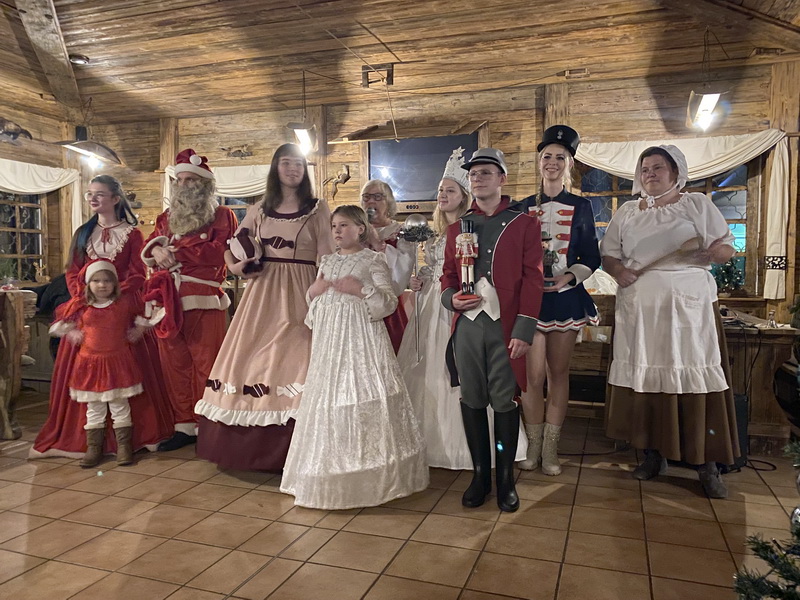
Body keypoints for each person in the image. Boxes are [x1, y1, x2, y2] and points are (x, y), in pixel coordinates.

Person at [600, 144, 739, 499]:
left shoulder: (696, 205)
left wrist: (714, 252)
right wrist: (619, 272)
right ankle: (652, 455)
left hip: (687, 308)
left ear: (676, 172)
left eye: (658, 167)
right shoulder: (628, 212)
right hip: (641, 309)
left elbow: (727, 247)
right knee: (647, 376)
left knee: (690, 374)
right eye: (645, 168)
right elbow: (609, 255)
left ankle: (706, 464)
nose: (650, 174)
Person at [195, 143, 333, 471]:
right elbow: (232, 246)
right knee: (252, 355)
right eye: (286, 163)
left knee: (296, 356)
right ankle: (248, 444)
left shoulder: (318, 208)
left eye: (298, 163)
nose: (293, 169)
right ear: (275, 168)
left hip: (302, 290)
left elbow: (327, 254)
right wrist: (235, 267)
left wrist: (322, 290)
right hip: (262, 292)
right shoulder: (259, 208)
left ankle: (296, 446)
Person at [280, 205, 428, 508]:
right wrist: (314, 291)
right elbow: (314, 306)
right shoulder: (327, 261)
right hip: (330, 344)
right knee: (329, 399)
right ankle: (329, 473)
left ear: (360, 229)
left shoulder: (373, 260)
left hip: (362, 342)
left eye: (344, 225)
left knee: (361, 395)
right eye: (334, 226)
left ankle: (369, 474)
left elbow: (388, 302)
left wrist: (361, 290)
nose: (337, 231)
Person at [397, 148, 527, 469]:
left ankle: (484, 455)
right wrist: (419, 278)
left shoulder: (476, 226)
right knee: (430, 368)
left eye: (450, 190)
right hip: (437, 301)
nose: (443, 195)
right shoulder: (436, 231)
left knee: (471, 376)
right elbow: (439, 271)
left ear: (464, 195)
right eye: (440, 190)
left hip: (470, 308)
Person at [31, 175, 173, 460]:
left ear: (115, 199)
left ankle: (129, 440)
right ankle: (90, 442)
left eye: (99, 194)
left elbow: (137, 272)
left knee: (129, 375)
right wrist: (85, 297)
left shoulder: (132, 234)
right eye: (89, 194)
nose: (93, 199)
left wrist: (116, 295)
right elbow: (73, 271)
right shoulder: (83, 233)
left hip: (122, 306)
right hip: (88, 306)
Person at [441, 148, 544, 512]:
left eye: (486, 172)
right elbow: (448, 276)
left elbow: (533, 279)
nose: (478, 178)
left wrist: (524, 328)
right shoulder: (456, 228)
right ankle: (480, 475)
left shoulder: (525, 224)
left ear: (502, 178)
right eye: (474, 173)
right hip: (467, 328)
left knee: (503, 401)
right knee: (471, 398)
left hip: (506, 325)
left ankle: (505, 480)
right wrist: (451, 298)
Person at [517, 126, 601, 475]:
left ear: (570, 164)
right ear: (539, 162)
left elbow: (591, 256)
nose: (552, 163)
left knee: (558, 373)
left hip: (565, 300)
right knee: (532, 376)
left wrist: (568, 276)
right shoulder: (522, 207)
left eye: (560, 158)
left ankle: (551, 448)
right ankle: (533, 445)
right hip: (531, 303)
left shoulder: (581, 206)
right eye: (547, 157)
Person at [142, 149, 238, 451]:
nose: (184, 185)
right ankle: (184, 425)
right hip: (167, 300)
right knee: (174, 365)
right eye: (180, 180)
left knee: (207, 364)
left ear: (205, 184)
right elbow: (150, 245)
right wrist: (157, 250)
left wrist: (174, 251)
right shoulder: (165, 218)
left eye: (191, 180)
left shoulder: (222, 215)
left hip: (203, 298)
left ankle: (209, 424)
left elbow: (218, 252)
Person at [50, 261, 152, 467]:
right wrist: (72, 332)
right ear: (88, 284)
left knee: (119, 405)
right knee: (94, 407)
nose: (102, 285)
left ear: (115, 283)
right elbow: (61, 324)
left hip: (117, 362)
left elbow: (144, 315)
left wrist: (138, 331)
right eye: (96, 281)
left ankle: (124, 447)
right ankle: (94, 448)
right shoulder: (82, 307)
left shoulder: (122, 304)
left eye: (107, 281)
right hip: (90, 365)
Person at [360, 180, 415, 353]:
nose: (371, 201)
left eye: (378, 197)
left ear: (389, 201)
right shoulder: (356, 230)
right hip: (358, 306)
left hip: (387, 307)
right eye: (367, 197)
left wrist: (379, 245)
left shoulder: (400, 233)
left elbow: (403, 270)